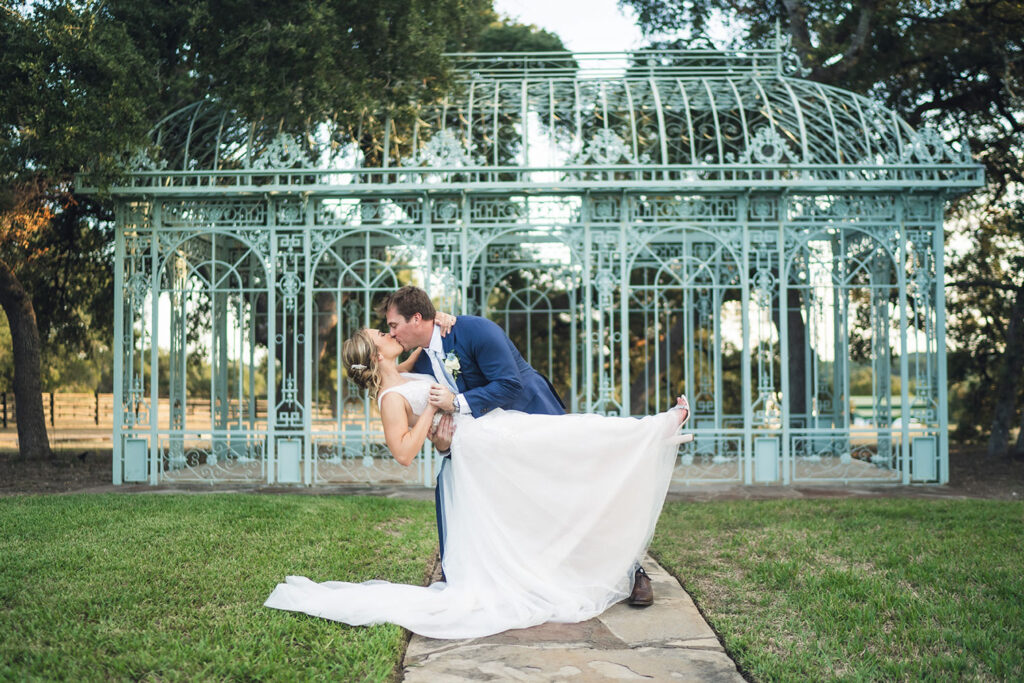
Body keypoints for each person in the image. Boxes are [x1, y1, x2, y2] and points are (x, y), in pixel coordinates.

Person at [263, 326, 692, 640]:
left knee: (571, 440)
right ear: (377, 355)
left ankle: (653, 431)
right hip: (480, 447)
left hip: (491, 432)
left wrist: (443, 322)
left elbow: (428, 343)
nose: (389, 332)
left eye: (388, 327)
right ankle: (657, 428)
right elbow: (404, 451)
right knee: (570, 439)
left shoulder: (405, 371)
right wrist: (432, 412)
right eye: (382, 334)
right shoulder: (390, 399)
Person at [380, 286, 656, 606]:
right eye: (388, 329)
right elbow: (389, 378)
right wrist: (441, 438)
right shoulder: (423, 359)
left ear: (416, 319)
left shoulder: (475, 331)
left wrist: (456, 402)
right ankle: (458, 569)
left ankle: (634, 571)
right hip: (494, 441)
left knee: (571, 495)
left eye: (393, 325)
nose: (392, 332)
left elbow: (510, 384)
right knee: (456, 483)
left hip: (532, 416)